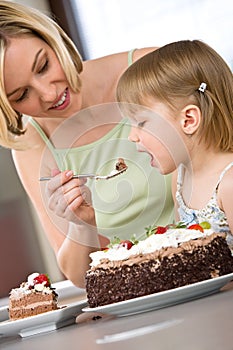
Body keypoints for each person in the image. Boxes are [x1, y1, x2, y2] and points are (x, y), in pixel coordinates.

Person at [0, 1, 174, 287]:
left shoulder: (151, 69)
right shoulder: (33, 145)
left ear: (52, 38)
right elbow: (80, 279)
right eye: (21, 95)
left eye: (43, 66)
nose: (48, 94)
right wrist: (78, 224)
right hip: (133, 298)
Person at [116, 39, 233, 252]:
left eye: (141, 122)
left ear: (188, 120)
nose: (132, 136)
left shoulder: (229, 184)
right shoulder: (179, 178)